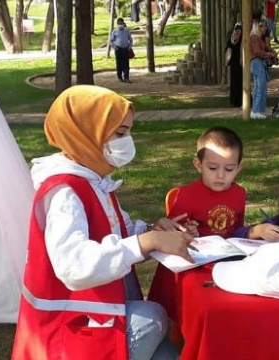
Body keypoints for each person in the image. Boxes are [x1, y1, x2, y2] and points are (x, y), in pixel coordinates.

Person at [11, 85, 195, 360]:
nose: (127, 141)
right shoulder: (65, 191)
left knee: (167, 353)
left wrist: (152, 231)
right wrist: (147, 242)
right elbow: (73, 266)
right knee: (153, 319)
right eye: (120, 133)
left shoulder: (92, 180)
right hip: (68, 323)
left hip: (95, 306)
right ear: (86, 133)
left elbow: (113, 231)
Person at [166, 126, 246, 238]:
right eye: (213, 168)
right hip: (196, 252)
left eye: (229, 169)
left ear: (238, 168)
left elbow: (239, 229)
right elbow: (169, 232)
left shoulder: (239, 193)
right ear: (199, 165)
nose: (220, 175)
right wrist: (186, 230)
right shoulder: (186, 196)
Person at [250, 19, 277, 119]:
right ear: (259, 27)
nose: (266, 28)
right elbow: (257, 51)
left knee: (259, 87)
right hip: (256, 62)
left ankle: (257, 111)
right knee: (260, 87)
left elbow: (265, 47)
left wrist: (271, 51)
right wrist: (268, 54)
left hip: (258, 62)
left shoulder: (258, 37)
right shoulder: (254, 37)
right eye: (264, 26)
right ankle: (257, 111)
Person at [225, 22, 243, 107]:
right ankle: (235, 100)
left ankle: (240, 100)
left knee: (240, 82)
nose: (238, 32)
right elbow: (228, 49)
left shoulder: (242, 39)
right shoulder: (232, 39)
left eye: (240, 30)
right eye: (237, 30)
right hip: (235, 63)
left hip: (240, 63)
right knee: (234, 82)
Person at [110, 18, 133, 83]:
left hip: (125, 49)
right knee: (119, 63)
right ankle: (119, 77)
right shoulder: (114, 31)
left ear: (123, 23)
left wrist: (130, 46)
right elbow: (111, 41)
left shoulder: (126, 30)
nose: (120, 25)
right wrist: (114, 47)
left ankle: (126, 77)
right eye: (119, 24)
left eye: (121, 23)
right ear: (117, 24)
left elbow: (130, 39)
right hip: (118, 49)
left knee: (126, 64)